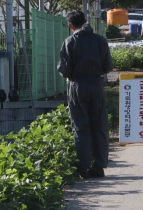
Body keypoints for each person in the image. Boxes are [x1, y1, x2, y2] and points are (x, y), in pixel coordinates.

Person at [58, 10, 114, 178]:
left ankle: (83, 168)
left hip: (77, 85)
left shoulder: (69, 42)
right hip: (96, 84)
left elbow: (64, 69)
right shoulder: (100, 41)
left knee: (80, 126)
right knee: (99, 125)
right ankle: (99, 166)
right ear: (86, 21)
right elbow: (108, 67)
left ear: (70, 26)